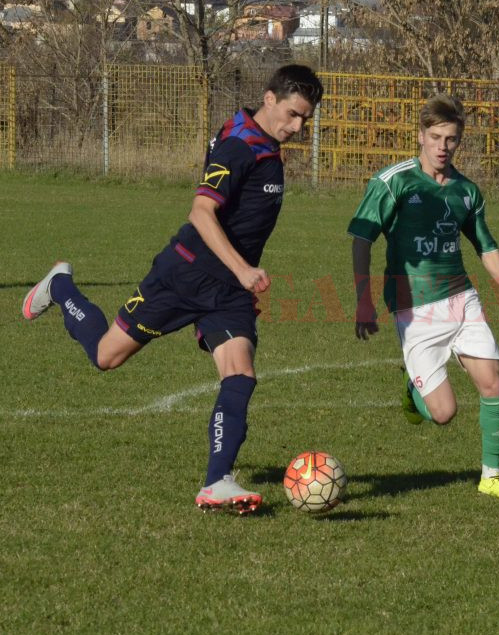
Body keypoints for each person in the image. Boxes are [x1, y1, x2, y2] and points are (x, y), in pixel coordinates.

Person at [21, 65, 324, 513]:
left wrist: (237, 276)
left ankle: (216, 481)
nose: (298, 127)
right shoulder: (241, 147)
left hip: (227, 290)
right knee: (106, 356)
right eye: (294, 115)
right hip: (183, 276)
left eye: (306, 120)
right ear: (269, 99)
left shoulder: (257, 137)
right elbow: (202, 212)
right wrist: (243, 269)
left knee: (240, 374)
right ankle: (61, 287)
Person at [348, 94, 499, 500]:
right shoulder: (393, 182)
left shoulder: (466, 191)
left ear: (460, 141)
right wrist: (363, 300)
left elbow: (486, 247)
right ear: (420, 136)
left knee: (492, 384)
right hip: (414, 307)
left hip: (461, 299)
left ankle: (491, 477)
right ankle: (414, 388)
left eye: (451, 139)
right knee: (443, 414)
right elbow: (361, 239)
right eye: (435, 137)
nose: (442, 146)